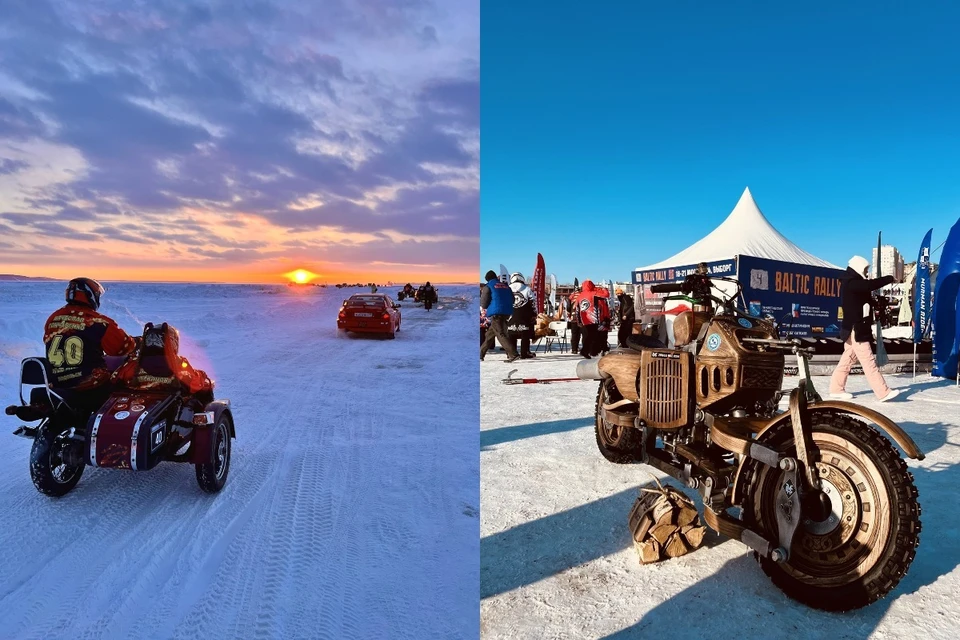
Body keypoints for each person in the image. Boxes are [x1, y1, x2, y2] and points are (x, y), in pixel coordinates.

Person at [43, 277, 138, 417]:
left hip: (57, 383)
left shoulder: (54, 318)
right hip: (90, 385)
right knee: (125, 383)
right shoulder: (97, 321)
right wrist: (137, 342)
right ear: (90, 296)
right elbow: (122, 348)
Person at [829, 256, 901, 402]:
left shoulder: (853, 283)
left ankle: (836, 389)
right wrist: (888, 278)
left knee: (847, 360)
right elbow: (868, 286)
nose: (867, 272)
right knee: (868, 362)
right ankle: (883, 392)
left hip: (854, 328)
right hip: (857, 328)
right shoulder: (852, 282)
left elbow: (862, 301)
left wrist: (876, 303)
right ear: (858, 268)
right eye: (866, 269)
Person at [480, 270, 520, 362]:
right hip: (507, 312)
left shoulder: (488, 286)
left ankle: (513, 354)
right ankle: (480, 354)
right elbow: (513, 299)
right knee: (489, 335)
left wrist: (486, 307)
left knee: (501, 334)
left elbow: (484, 302)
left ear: (487, 279)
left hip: (496, 314)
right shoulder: (506, 286)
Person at [576, 280, 611, 358]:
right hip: (593, 318)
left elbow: (577, 309)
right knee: (593, 335)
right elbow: (606, 295)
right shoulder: (593, 294)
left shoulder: (580, 296)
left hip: (584, 319)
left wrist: (579, 320)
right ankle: (586, 351)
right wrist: (604, 288)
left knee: (590, 335)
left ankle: (589, 351)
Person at [508, 273, 537, 358]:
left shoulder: (508, 288)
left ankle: (512, 353)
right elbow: (533, 303)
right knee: (525, 335)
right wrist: (534, 314)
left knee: (511, 334)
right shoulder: (527, 289)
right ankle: (525, 352)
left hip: (511, 314)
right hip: (524, 315)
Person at [563, 286, 582, 354]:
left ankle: (574, 349)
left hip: (573, 317)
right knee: (579, 334)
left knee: (574, 334)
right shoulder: (582, 295)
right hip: (581, 318)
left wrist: (569, 314)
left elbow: (568, 306)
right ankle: (578, 347)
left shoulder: (571, 296)